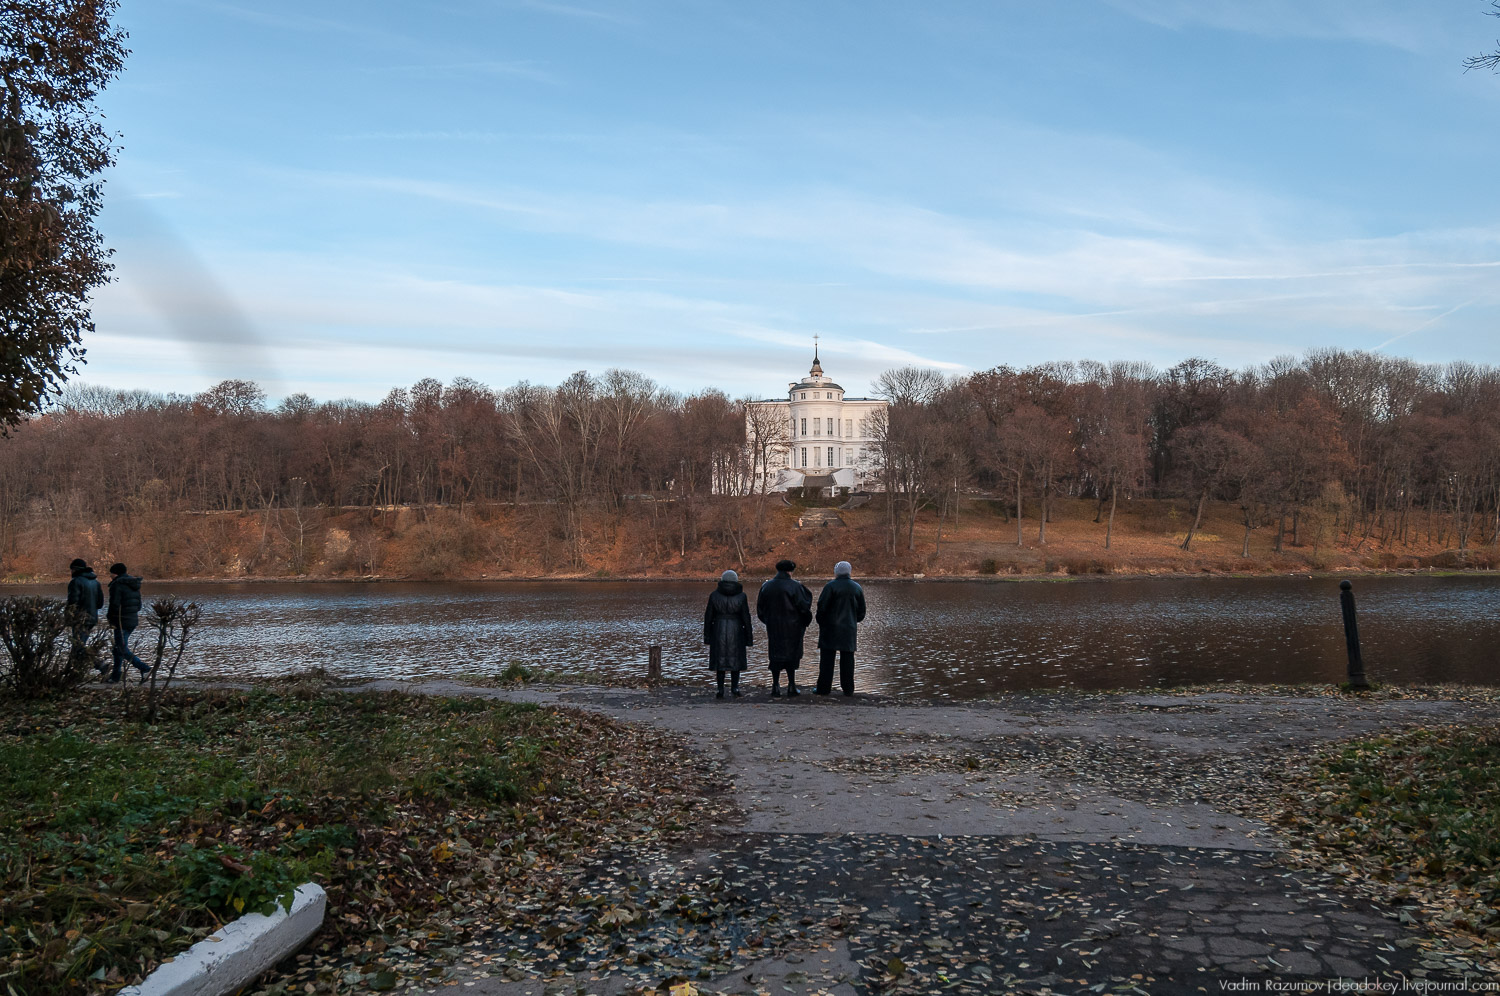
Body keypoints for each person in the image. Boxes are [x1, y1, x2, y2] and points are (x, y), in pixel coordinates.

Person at [756, 559, 812, 697]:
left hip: (774, 627)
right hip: (793, 627)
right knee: (792, 656)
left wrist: (769, 621)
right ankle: (791, 686)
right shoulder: (796, 586)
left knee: (775, 656)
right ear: (790, 571)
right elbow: (804, 607)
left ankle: (775, 686)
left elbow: (760, 610)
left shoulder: (766, 586)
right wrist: (804, 622)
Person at [815, 560, 866, 697]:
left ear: (836, 572)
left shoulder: (830, 586)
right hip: (848, 628)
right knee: (848, 660)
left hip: (830, 628)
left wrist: (822, 622)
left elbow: (822, 607)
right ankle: (848, 689)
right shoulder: (856, 587)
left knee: (827, 660)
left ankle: (823, 688)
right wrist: (853, 621)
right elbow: (861, 612)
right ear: (849, 572)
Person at [703, 569, 753, 699]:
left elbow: (708, 617)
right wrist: (749, 637)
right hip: (736, 630)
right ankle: (735, 688)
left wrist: (707, 636)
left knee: (720, 661)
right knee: (735, 660)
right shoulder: (741, 596)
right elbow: (746, 617)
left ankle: (720, 689)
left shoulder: (714, 595)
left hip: (718, 629)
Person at [106, 563, 149, 683]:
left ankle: (143, 667)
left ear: (115, 573)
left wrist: (110, 618)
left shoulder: (117, 585)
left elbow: (114, 605)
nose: (110, 576)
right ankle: (115, 676)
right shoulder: (134, 584)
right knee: (118, 648)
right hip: (132, 620)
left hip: (121, 620)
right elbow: (139, 606)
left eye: (111, 573)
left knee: (121, 649)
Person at [65, 558, 105, 674]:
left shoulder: (76, 582)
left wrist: (69, 617)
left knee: (78, 647)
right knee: (77, 646)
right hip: (92, 618)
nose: (70, 573)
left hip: (80, 619)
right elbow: (100, 603)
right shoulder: (96, 582)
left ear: (74, 570)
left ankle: (99, 664)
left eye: (71, 570)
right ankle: (73, 672)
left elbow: (73, 602)